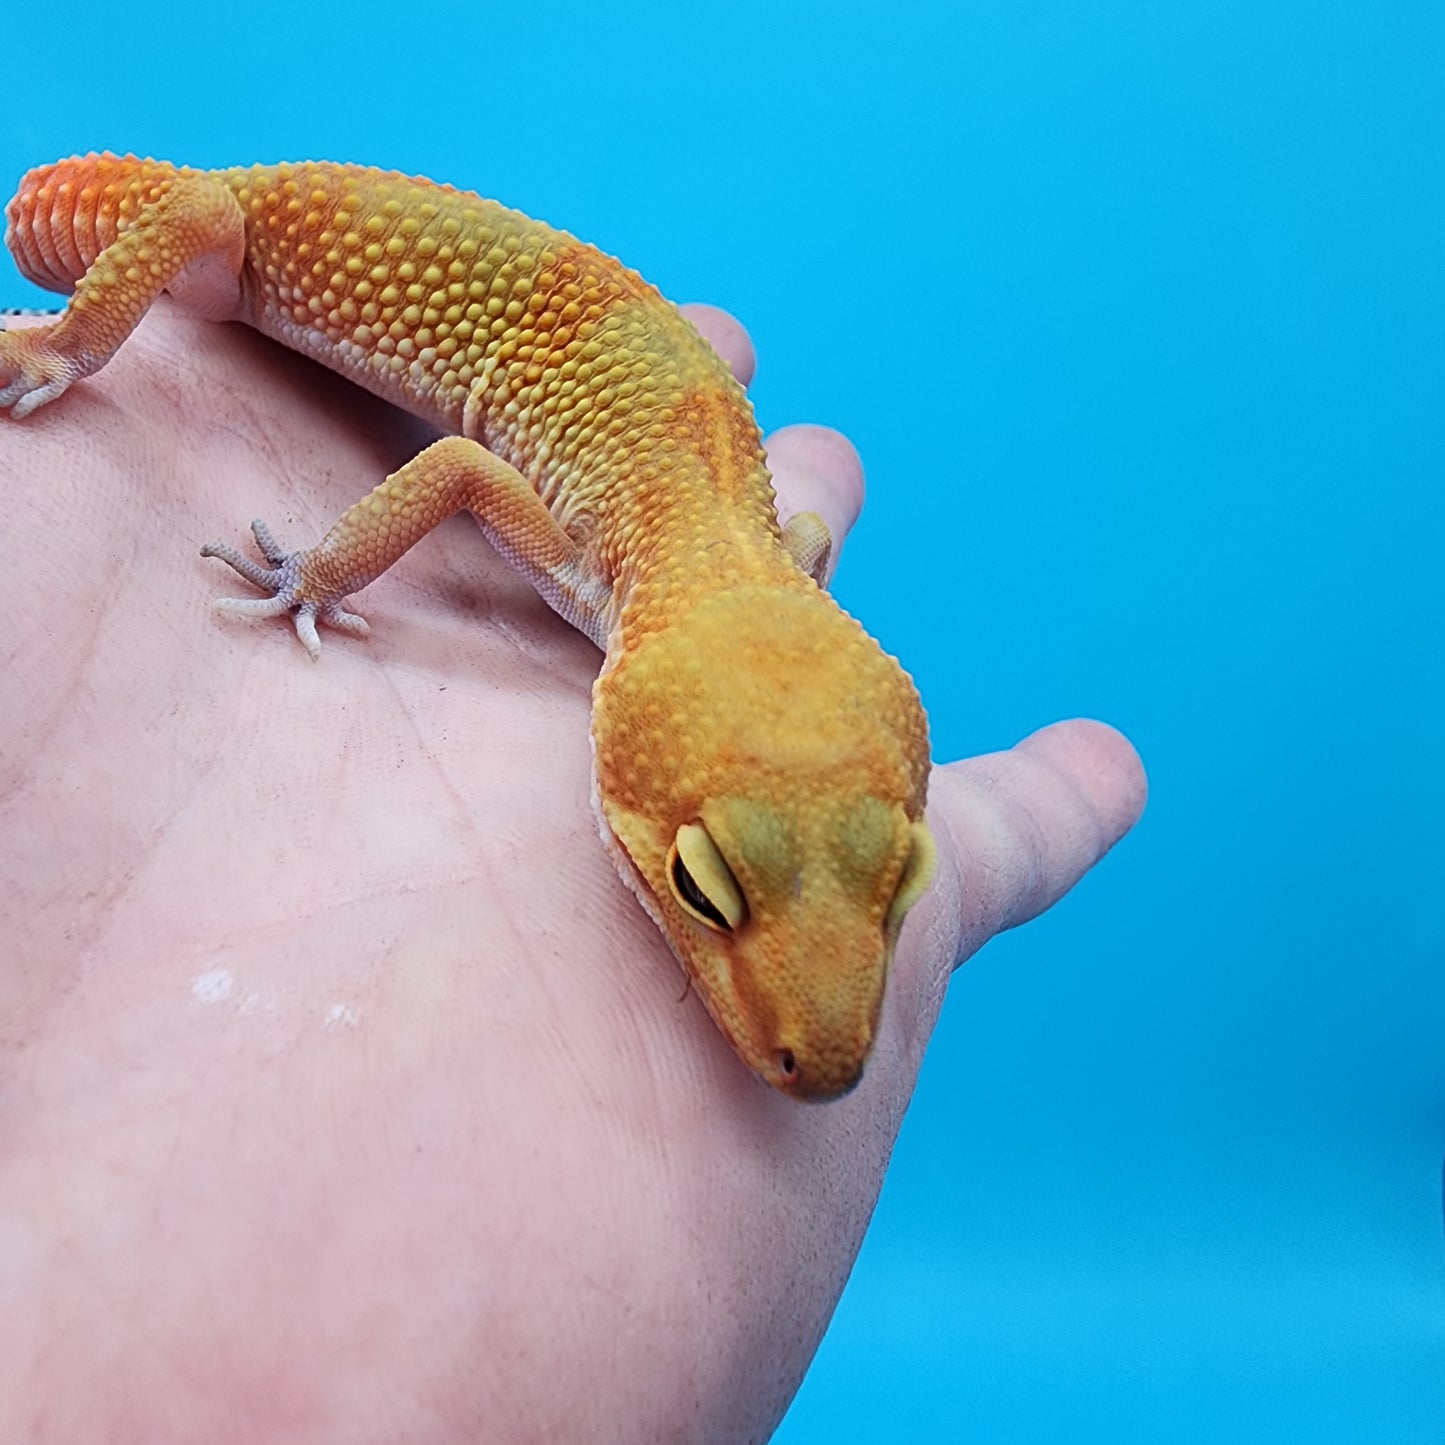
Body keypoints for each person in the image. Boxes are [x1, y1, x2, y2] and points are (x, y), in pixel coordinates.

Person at [0, 301, 1145, 1441]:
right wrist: (318, 573)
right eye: (708, 885)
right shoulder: (624, 579)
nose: (828, 1036)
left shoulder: (730, 583)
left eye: (885, 883)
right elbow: (473, 470)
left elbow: (792, 560)